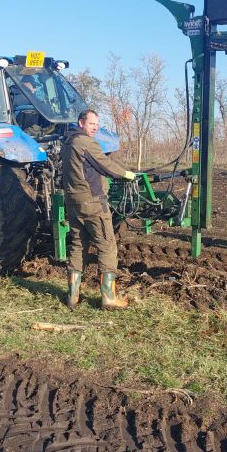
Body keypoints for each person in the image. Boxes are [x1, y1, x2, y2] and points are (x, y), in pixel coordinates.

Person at [60, 109, 136, 310]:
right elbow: (104, 164)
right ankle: (108, 297)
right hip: (93, 202)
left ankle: (72, 296)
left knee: (77, 245)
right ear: (81, 123)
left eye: (97, 124)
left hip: (73, 203)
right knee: (107, 245)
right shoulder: (85, 143)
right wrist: (127, 174)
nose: (95, 127)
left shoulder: (67, 144)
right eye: (92, 123)